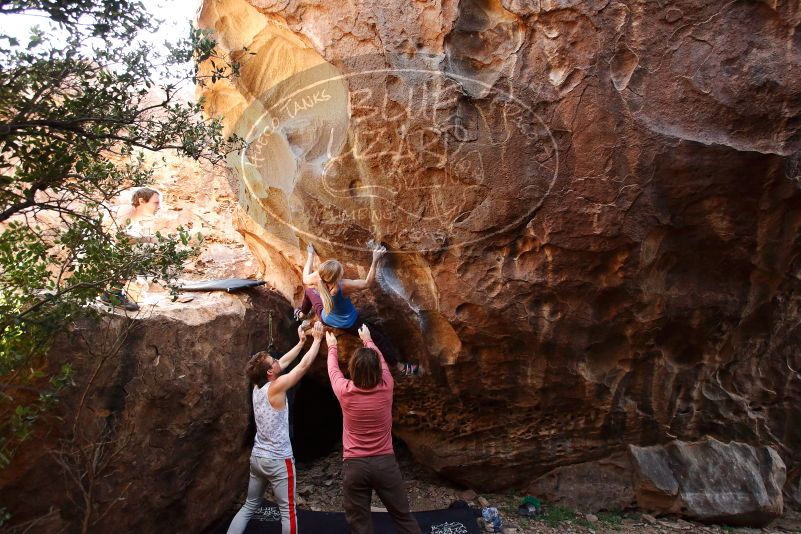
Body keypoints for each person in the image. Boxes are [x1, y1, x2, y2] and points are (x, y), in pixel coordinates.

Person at [228, 322, 324, 534]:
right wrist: (316, 341)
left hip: (258, 458)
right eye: (273, 361)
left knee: (249, 506)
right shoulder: (276, 387)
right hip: (279, 461)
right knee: (288, 512)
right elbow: (302, 367)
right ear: (271, 372)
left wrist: (300, 344)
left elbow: (285, 362)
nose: (277, 361)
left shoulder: (257, 384)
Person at [326, 325, 421, 534]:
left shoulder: (344, 390)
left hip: (355, 466)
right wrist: (368, 340)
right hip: (385, 464)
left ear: (352, 369)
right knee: (403, 518)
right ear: (378, 370)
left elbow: (333, 370)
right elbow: (384, 363)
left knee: (360, 525)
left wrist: (332, 346)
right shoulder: (387, 385)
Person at [298, 243, 417, 375]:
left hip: (326, 318)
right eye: (341, 270)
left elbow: (305, 277)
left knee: (309, 292)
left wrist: (310, 254)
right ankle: (399, 367)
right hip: (350, 323)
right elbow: (367, 283)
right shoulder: (343, 286)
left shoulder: (318, 278)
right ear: (337, 277)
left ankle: (302, 314)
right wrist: (375, 259)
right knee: (378, 338)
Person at [100, 187, 162, 311]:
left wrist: (149, 239)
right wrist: (148, 239)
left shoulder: (135, 214)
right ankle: (112, 294)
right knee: (133, 253)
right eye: (155, 203)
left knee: (138, 251)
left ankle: (113, 293)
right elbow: (117, 238)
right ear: (142, 201)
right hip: (93, 250)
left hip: (102, 248)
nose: (159, 206)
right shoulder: (128, 210)